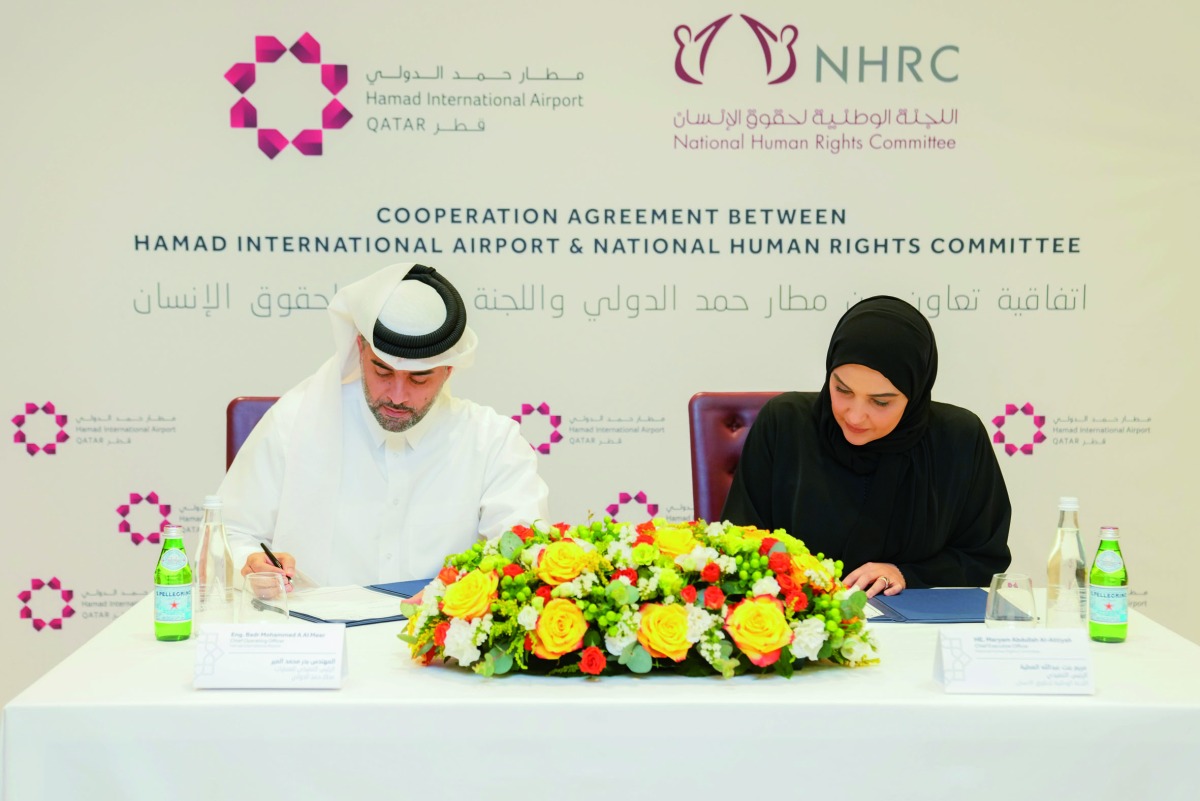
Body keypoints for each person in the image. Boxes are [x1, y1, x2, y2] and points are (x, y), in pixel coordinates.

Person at [219, 262, 550, 587]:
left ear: (448, 371)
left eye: (419, 379)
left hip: (438, 637)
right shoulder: (293, 423)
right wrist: (253, 565)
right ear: (360, 349)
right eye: (382, 371)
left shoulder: (492, 441)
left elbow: (521, 552)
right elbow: (229, 534)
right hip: (319, 637)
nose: (398, 395)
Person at [721, 295, 1011, 597]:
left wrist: (906, 574)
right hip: (798, 626)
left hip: (917, 631)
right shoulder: (784, 424)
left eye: (881, 401)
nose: (856, 416)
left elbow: (983, 558)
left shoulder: (959, 439)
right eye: (842, 390)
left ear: (915, 393)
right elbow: (741, 543)